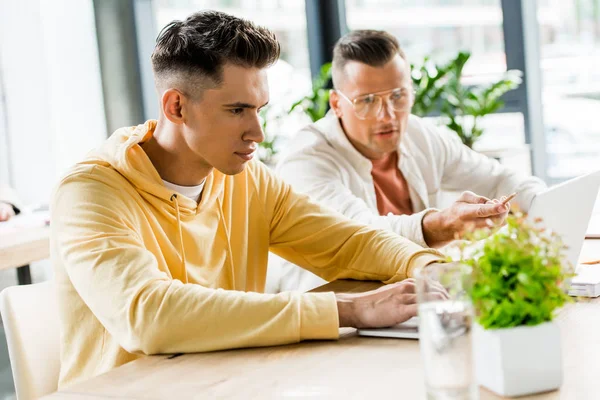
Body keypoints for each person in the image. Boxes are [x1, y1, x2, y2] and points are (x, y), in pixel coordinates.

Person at [50, 12, 457, 388]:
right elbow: (148, 316)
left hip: (230, 384)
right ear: (176, 106)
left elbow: (348, 242)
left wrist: (431, 269)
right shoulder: (91, 192)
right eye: (237, 110)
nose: (257, 132)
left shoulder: (246, 179)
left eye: (259, 109)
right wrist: (345, 310)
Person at [273, 30, 545, 292]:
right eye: (367, 101)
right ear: (336, 104)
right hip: (335, 312)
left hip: (412, 300)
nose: (387, 115)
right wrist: (442, 225)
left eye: (398, 96)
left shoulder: (418, 134)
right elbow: (360, 237)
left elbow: (499, 179)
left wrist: (544, 207)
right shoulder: (306, 159)